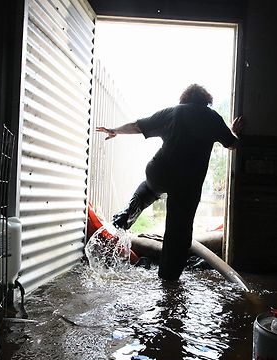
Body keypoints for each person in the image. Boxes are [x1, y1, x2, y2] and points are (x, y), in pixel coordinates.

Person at [96, 83, 243, 281]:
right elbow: (233, 145)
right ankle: (168, 278)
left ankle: (126, 217)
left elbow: (138, 125)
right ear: (205, 100)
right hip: (187, 183)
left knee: (147, 189)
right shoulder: (212, 118)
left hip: (160, 171)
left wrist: (115, 130)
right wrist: (234, 131)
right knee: (178, 231)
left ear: (185, 98)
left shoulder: (173, 112)